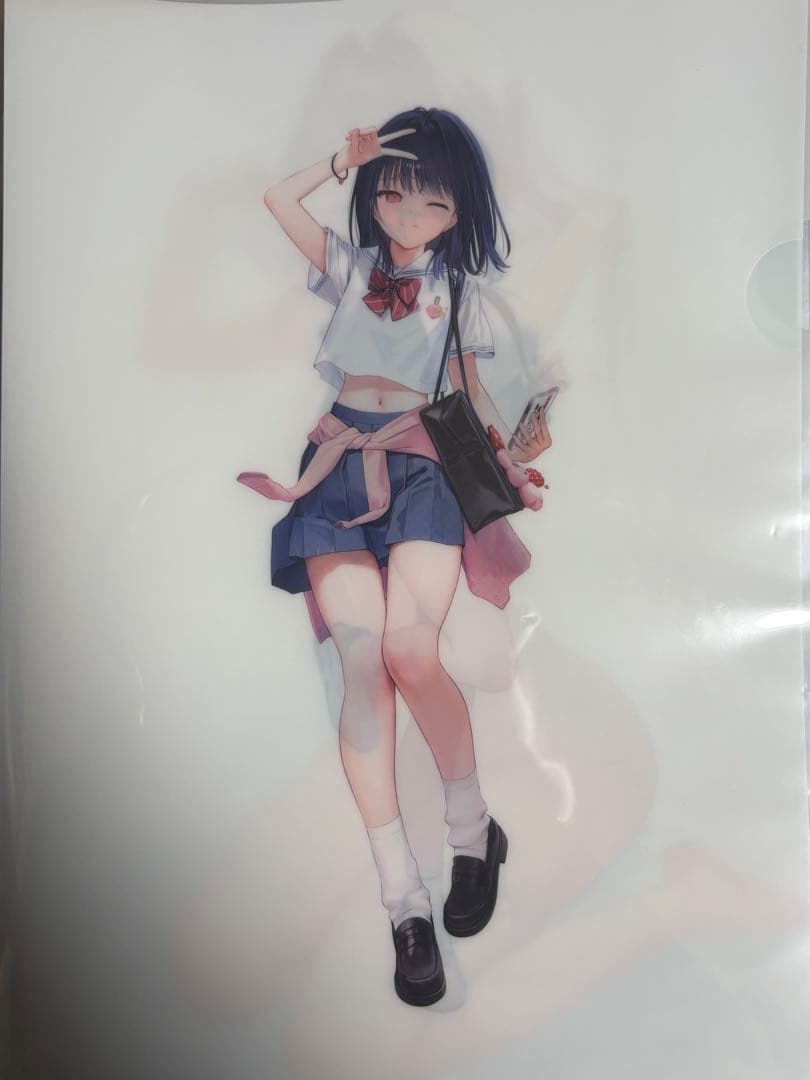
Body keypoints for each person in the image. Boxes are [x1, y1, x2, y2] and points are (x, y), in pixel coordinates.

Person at [237, 107, 551, 1006]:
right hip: (338, 465)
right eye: (395, 194)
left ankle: (471, 833)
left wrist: (515, 457)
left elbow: (471, 396)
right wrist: (339, 161)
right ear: (373, 191)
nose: (410, 214)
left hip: (422, 469)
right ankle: (403, 903)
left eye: (433, 202)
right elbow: (277, 198)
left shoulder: (461, 293)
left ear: (460, 212)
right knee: (362, 666)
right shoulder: (349, 267)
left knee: (412, 650)